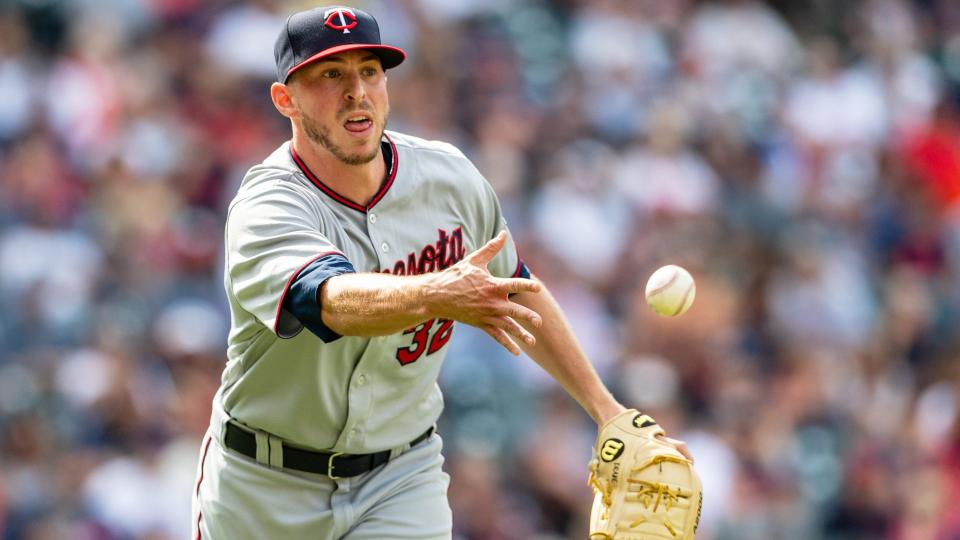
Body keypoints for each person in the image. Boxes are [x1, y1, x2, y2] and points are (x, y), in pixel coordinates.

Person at [191, 6, 691, 539]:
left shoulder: (449, 178)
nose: (356, 92)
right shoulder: (268, 203)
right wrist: (437, 293)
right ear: (285, 99)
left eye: (370, 71)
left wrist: (607, 409)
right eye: (330, 75)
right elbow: (330, 301)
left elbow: (515, 290)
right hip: (265, 485)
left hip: (400, 479)